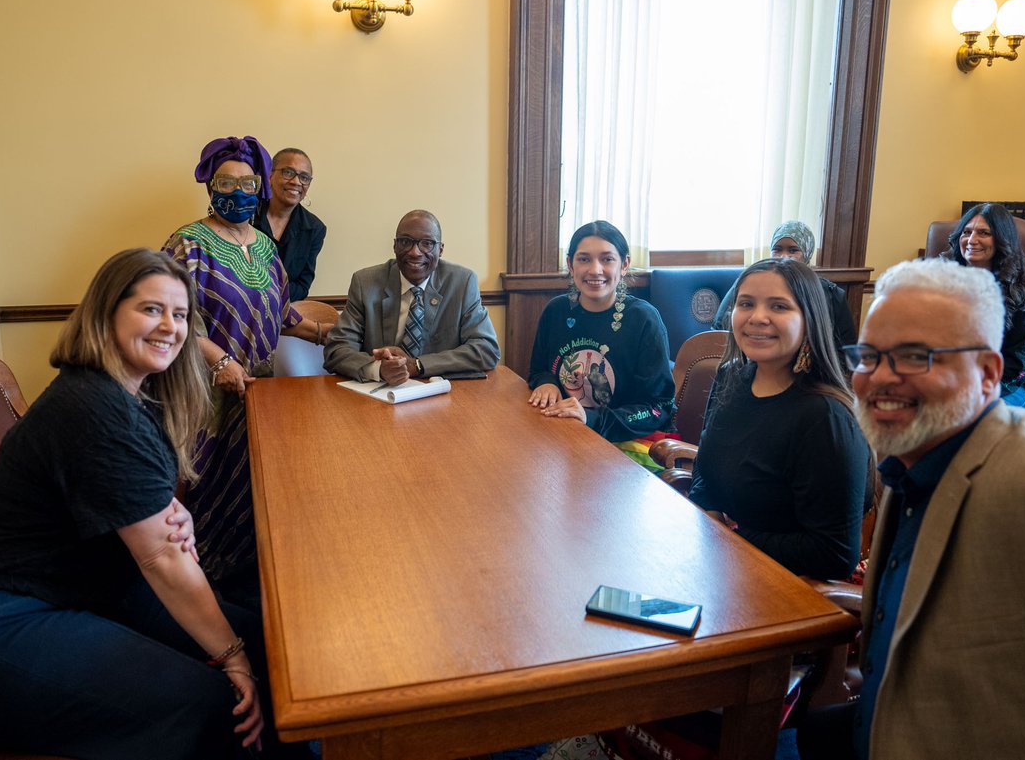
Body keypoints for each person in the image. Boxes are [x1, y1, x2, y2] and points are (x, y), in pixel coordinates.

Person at [0, 249, 268, 760]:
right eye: (150, 309)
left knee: (265, 641)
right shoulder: (91, 407)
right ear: (106, 314)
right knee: (214, 698)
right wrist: (231, 659)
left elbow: (128, 496)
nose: (169, 326)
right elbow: (162, 560)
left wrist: (169, 509)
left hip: (85, 586)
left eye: (181, 314)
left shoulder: (129, 394)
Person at [799, 259, 1025, 760]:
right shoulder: (910, 464)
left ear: (989, 372)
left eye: (914, 356)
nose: (881, 379)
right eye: (868, 356)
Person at [162, 135, 286, 604]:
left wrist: (330, 334)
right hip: (208, 399)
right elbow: (173, 321)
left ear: (260, 187)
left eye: (248, 182)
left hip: (259, 394)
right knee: (208, 495)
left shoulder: (266, 248)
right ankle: (201, 595)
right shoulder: (188, 243)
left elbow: (282, 311)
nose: (237, 192)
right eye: (225, 182)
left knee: (257, 492)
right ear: (209, 185)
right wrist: (223, 360)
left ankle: (250, 596)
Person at [690, 258, 870, 579]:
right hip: (722, 565)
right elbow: (705, 472)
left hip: (792, 585)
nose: (758, 318)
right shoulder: (731, 376)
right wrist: (709, 518)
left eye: (779, 306)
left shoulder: (824, 416)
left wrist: (732, 540)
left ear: (809, 319)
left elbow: (834, 554)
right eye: (746, 304)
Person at [527, 221, 675, 442]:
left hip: (625, 442)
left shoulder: (644, 319)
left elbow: (657, 407)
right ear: (570, 264)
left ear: (624, 265)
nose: (595, 270)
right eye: (584, 259)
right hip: (562, 432)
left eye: (607, 259)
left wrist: (592, 419)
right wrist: (546, 382)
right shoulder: (555, 311)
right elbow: (538, 370)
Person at [323, 209, 500, 382]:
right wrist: (378, 369)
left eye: (427, 243)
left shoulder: (462, 282)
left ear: (441, 249)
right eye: (405, 241)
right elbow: (337, 348)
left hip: (440, 393)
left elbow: (486, 349)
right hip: (381, 393)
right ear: (394, 245)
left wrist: (417, 365)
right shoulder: (366, 283)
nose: (415, 252)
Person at [939, 202, 1025, 407]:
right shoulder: (938, 279)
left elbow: (1020, 363)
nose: (971, 240)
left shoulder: (1021, 291)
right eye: (966, 232)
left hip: (1002, 387)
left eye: (983, 233)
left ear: (1002, 240)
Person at [712, 220, 858, 350]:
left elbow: (845, 349)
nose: (784, 256)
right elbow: (718, 330)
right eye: (777, 249)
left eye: (793, 250)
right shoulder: (749, 283)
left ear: (807, 254)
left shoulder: (831, 294)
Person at [253, 147, 327, 303]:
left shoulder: (314, 229)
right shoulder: (248, 216)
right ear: (269, 175)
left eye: (304, 177)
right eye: (288, 172)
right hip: (242, 307)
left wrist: (264, 291)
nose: (296, 181)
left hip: (285, 313)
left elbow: (302, 287)